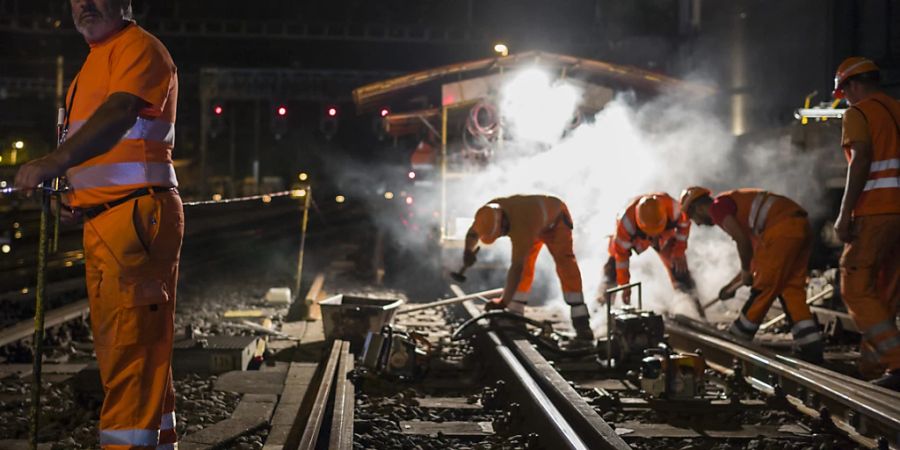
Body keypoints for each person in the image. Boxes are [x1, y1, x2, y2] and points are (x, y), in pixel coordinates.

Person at [15, 0, 182, 447]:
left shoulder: (138, 49)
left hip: (134, 217)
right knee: (130, 351)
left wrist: (53, 161)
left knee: (131, 353)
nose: (84, 5)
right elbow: (104, 149)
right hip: (109, 218)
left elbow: (119, 114)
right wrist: (71, 196)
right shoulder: (95, 63)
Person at [680, 187, 824, 362]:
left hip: (782, 231)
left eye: (693, 218)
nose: (698, 224)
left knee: (763, 290)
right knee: (791, 291)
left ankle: (737, 339)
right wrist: (731, 285)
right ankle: (811, 347)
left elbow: (743, 242)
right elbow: (758, 258)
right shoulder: (741, 211)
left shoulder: (717, 207)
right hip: (799, 227)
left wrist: (747, 273)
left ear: (698, 208)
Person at [832, 57, 900, 390]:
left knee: (856, 284)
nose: (845, 99)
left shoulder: (858, 113)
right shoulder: (897, 109)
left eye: (844, 93)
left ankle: (897, 364)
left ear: (852, 86)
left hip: (876, 210)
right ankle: (876, 369)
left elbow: (860, 161)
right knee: (884, 290)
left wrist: (844, 214)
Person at [462, 195, 594, 341]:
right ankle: (515, 315)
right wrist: (468, 251)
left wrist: (503, 302)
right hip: (536, 220)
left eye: (504, 231)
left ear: (504, 222)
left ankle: (581, 321)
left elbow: (516, 268)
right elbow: (473, 233)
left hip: (556, 220)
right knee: (526, 265)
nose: (505, 234)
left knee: (565, 263)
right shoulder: (488, 213)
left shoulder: (521, 226)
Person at [600, 192, 702, 317]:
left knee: (679, 268)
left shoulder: (674, 208)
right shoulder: (625, 225)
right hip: (637, 239)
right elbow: (621, 258)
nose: (653, 238)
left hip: (665, 236)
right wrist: (625, 286)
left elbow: (685, 224)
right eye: (651, 235)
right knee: (613, 267)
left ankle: (695, 311)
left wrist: (679, 252)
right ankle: (601, 311)